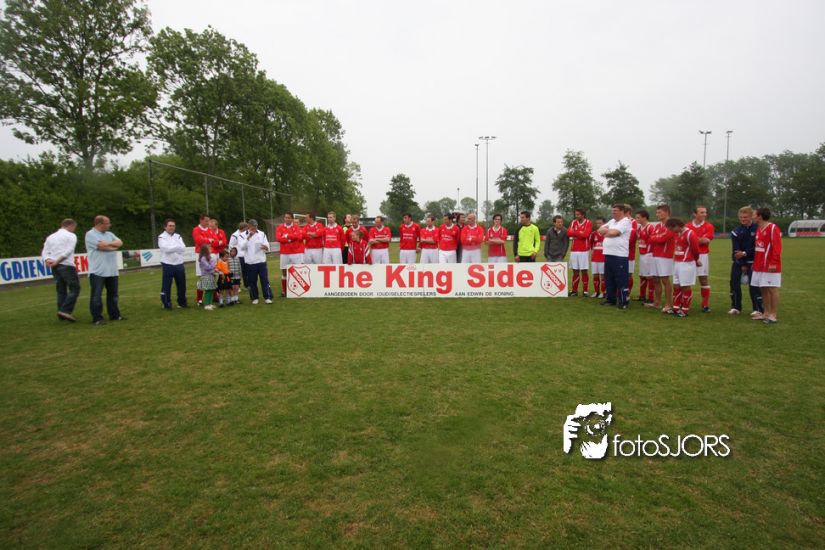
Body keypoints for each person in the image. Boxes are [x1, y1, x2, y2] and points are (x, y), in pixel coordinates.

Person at [85, 215, 124, 325]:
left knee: (113, 294)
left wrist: (107, 244)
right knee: (96, 295)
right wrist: (112, 246)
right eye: (107, 223)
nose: (109, 225)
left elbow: (120, 243)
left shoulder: (109, 234)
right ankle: (97, 318)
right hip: (98, 271)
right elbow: (101, 247)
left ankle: (115, 315)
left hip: (112, 270)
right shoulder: (90, 234)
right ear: (99, 224)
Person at [41, 218, 80, 322]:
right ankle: (65, 311)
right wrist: (58, 260)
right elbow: (69, 250)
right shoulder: (71, 235)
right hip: (66, 265)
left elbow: (44, 251)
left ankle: (61, 314)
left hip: (55, 266)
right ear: (71, 225)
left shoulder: (51, 237)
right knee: (75, 288)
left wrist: (47, 260)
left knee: (61, 290)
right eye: (74, 227)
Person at [728, 206, 763, 317]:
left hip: (754, 261)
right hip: (739, 262)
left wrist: (745, 253)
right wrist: (742, 263)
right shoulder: (736, 231)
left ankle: (758, 308)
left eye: (745, 217)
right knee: (734, 284)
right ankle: (736, 307)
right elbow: (736, 249)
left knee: (754, 285)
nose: (743, 219)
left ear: (751, 216)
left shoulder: (758, 229)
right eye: (741, 217)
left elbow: (757, 247)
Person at [751, 207, 782, 324]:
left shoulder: (772, 228)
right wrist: (755, 263)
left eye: (754, 214)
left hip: (770, 266)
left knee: (772, 289)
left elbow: (777, 247)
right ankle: (766, 313)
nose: (752, 217)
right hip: (759, 265)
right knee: (763, 288)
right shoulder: (759, 229)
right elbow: (759, 248)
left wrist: (773, 262)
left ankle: (773, 315)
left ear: (759, 216)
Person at [598, 205, 632, 309]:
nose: (613, 213)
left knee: (621, 279)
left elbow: (615, 233)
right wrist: (609, 232)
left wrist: (607, 232)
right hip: (608, 253)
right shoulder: (612, 221)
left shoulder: (626, 221)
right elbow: (600, 230)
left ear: (622, 211)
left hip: (620, 255)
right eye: (612, 211)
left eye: (616, 211)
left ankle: (623, 301)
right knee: (609, 278)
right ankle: (610, 299)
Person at [667, 218, 702, 317]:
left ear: (677, 226)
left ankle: (685, 310)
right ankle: (676, 308)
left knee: (685, 286)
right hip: (677, 263)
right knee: (676, 286)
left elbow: (695, 249)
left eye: (672, 229)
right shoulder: (677, 233)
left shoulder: (690, 234)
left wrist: (696, 260)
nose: (672, 231)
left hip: (686, 263)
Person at [648, 204, 676, 313]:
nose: (657, 214)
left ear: (667, 212)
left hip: (665, 256)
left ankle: (668, 304)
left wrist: (656, 238)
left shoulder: (671, 225)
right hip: (655, 255)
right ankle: (657, 303)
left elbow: (663, 238)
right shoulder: (658, 226)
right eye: (657, 212)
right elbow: (651, 239)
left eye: (659, 212)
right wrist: (656, 238)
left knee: (665, 280)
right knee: (655, 279)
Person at [158, 218, 188, 310]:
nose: (172, 227)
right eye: (170, 226)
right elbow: (165, 249)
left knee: (182, 285)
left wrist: (173, 248)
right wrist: (177, 247)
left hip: (179, 263)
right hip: (167, 264)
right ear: (165, 227)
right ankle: (166, 303)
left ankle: (182, 302)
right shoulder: (161, 237)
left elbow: (183, 248)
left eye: (173, 226)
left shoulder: (178, 236)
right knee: (166, 285)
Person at [241, 219, 273, 304]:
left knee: (264, 280)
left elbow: (267, 245)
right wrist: (248, 237)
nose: (255, 228)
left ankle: (267, 297)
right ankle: (254, 298)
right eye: (253, 226)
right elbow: (242, 247)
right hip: (250, 262)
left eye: (256, 226)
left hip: (261, 261)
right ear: (249, 226)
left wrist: (266, 247)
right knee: (252, 281)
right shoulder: (243, 235)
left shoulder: (262, 233)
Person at [690, 206, 715, 312]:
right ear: (695, 214)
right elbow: (685, 240)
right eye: (701, 212)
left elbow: (705, 241)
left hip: (703, 255)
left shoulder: (709, 226)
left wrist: (692, 239)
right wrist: (698, 240)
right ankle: (684, 302)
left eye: (705, 212)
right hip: (689, 255)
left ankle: (705, 304)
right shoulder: (687, 226)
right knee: (686, 280)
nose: (704, 214)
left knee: (703, 279)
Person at [276, 212, 304, 297]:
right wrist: (290, 238)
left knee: (297, 272)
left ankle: (298, 290)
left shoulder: (296, 227)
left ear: (292, 219)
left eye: (288, 218)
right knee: (284, 272)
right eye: (285, 217)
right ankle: (284, 291)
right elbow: (278, 238)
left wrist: (286, 236)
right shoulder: (280, 227)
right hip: (284, 253)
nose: (287, 219)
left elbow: (298, 236)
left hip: (295, 252)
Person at [567, 208, 592, 296]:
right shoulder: (573, 222)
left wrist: (575, 232)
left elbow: (586, 234)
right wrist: (579, 233)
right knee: (575, 270)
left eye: (578, 214)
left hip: (584, 250)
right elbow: (568, 233)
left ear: (583, 215)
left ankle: (585, 291)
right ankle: (574, 291)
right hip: (574, 250)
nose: (576, 216)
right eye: (576, 214)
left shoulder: (588, 222)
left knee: (584, 271)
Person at [192, 214, 214, 306]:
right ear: (201, 220)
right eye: (206, 221)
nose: (208, 223)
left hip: (209, 254)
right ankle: (199, 299)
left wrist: (207, 240)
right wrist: (209, 240)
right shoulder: (196, 229)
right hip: (200, 254)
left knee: (212, 274)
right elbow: (198, 241)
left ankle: (212, 297)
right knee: (201, 277)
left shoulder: (210, 229)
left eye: (208, 221)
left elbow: (214, 240)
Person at [635, 210, 655, 303]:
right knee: (642, 276)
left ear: (645, 218)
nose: (636, 219)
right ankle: (642, 295)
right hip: (642, 254)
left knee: (650, 277)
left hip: (649, 254)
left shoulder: (650, 227)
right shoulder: (639, 227)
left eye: (638, 217)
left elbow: (654, 241)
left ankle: (651, 298)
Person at [197, 244, 218, 310]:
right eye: (209, 248)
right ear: (205, 250)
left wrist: (214, 268)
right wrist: (213, 263)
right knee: (208, 290)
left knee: (211, 290)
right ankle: (206, 305)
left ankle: (210, 303)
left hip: (211, 275)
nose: (211, 249)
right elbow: (208, 267)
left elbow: (211, 267)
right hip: (206, 276)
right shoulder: (203, 258)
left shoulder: (209, 257)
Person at [228, 221, 248, 288]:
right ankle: (237, 285)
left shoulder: (246, 234)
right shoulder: (235, 235)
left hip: (245, 256)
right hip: (238, 256)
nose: (247, 229)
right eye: (246, 228)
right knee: (238, 272)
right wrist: (233, 255)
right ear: (243, 228)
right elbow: (231, 246)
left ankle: (246, 285)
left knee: (245, 271)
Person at [590, 217, 606, 298]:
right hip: (595, 258)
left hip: (603, 258)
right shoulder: (593, 234)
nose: (598, 225)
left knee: (603, 276)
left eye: (600, 223)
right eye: (597, 223)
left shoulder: (607, 234)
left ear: (604, 224)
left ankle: (603, 292)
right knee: (595, 275)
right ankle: (596, 292)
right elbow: (591, 245)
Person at [625, 205, 638, 298]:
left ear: (628, 211)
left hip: (629, 252)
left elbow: (632, 237)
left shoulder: (633, 222)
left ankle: (627, 293)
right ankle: (620, 292)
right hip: (619, 252)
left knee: (628, 274)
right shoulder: (620, 221)